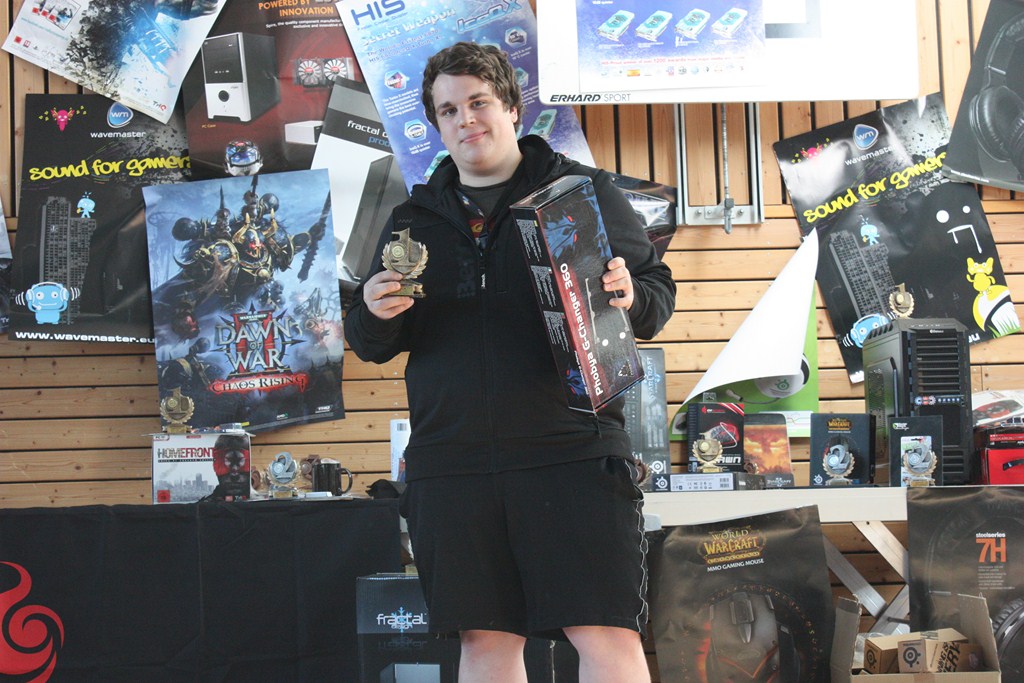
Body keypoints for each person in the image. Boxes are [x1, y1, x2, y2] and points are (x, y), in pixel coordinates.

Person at [344, 42, 675, 682]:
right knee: (484, 642)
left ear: (512, 108)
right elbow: (371, 341)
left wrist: (629, 295)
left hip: (571, 452)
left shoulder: (582, 191)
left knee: (605, 634)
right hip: (453, 464)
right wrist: (375, 312)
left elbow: (655, 298)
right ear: (436, 125)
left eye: (478, 102)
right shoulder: (413, 219)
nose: (466, 119)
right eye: (448, 110)